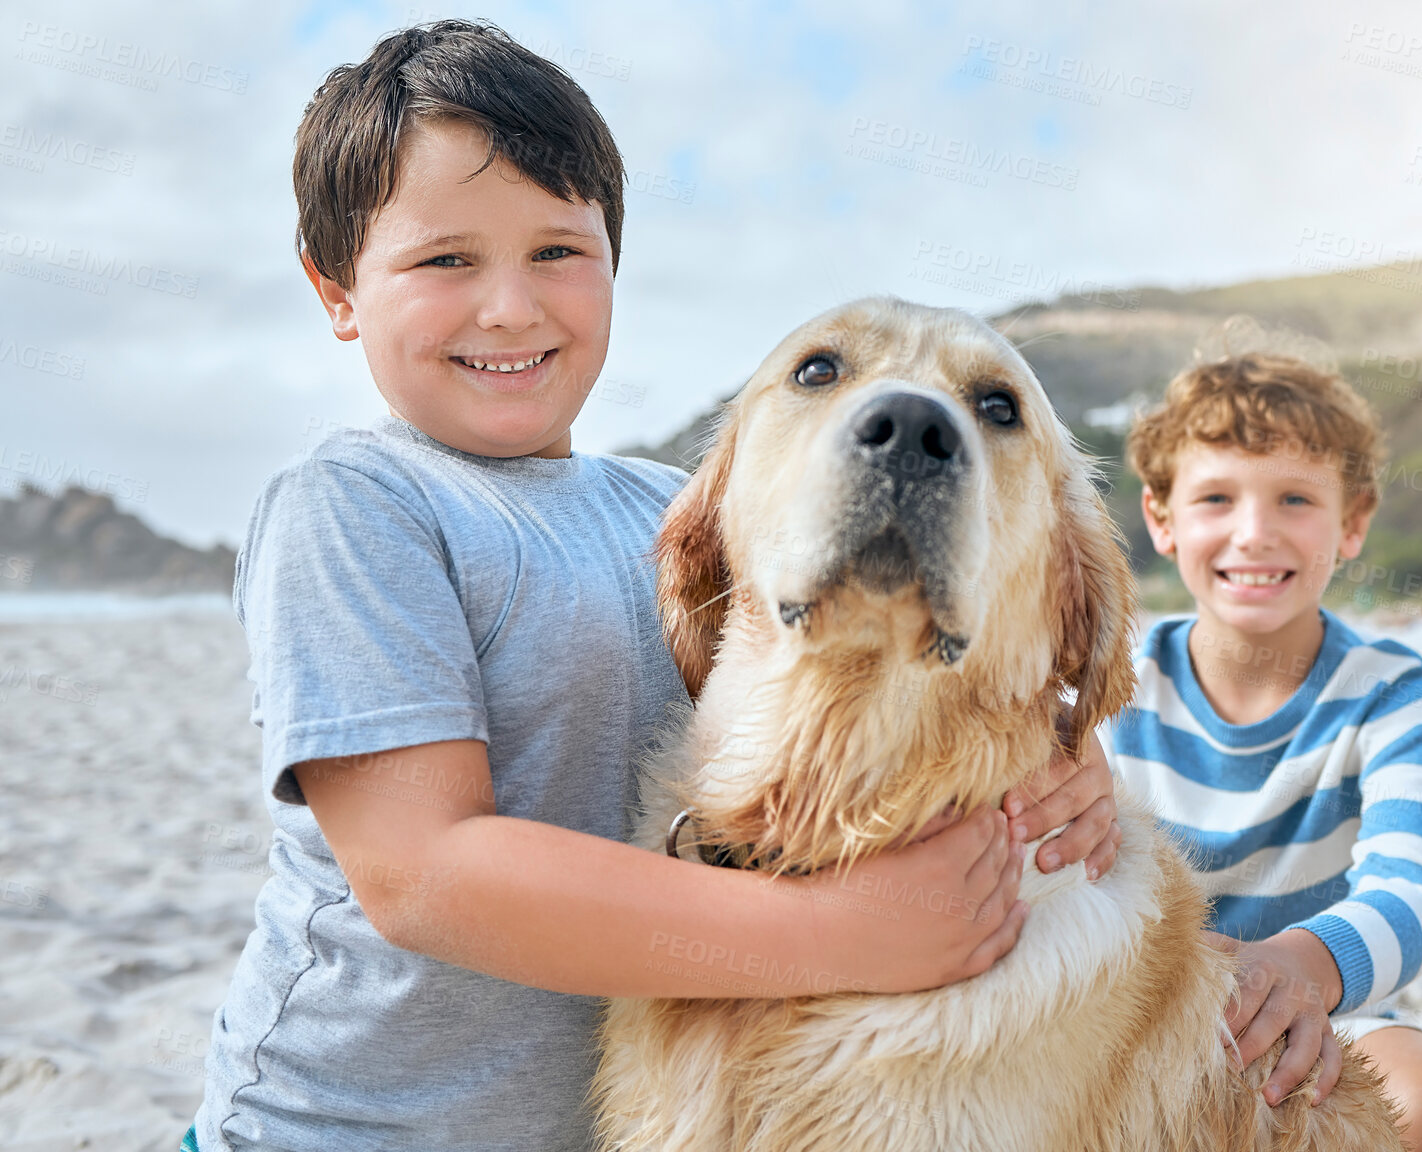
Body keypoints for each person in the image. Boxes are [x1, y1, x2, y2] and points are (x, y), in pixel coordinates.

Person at [186, 21, 1121, 1151]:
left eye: (556, 252)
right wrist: (842, 936)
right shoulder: (353, 504)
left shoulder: (663, 512)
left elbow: (888, 677)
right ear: (336, 290)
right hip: (334, 1130)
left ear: (612, 262)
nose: (509, 307)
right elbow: (426, 873)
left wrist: (1067, 760)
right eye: (446, 261)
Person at [1107, 351, 1422, 1151]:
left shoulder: (1398, 697)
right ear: (1161, 519)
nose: (1254, 532)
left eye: (1294, 498)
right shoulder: (1109, 683)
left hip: (1329, 1015)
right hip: (1130, 1015)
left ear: (1352, 521)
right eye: (1216, 498)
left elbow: (1408, 897)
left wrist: (1290, 970)